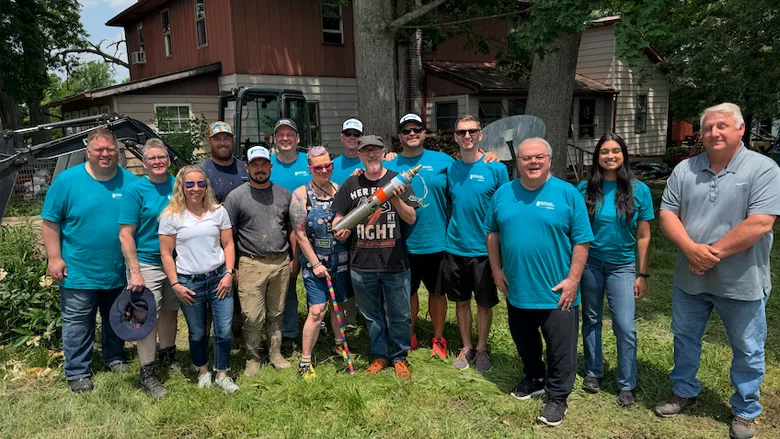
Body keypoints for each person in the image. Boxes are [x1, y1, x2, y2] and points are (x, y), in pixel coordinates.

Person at [654, 103, 780, 439]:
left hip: (742, 282)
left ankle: (745, 409)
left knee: (748, 347)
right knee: (685, 339)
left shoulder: (763, 169)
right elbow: (667, 215)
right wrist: (690, 250)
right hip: (689, 279)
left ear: (740, 129)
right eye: (708, 127)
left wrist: (709, 254)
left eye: (722, 126)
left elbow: (761, 222)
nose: (714, 133)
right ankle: (683, 390)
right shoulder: (685, 170)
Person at [486, 137, 592, 427]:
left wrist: (573, 280)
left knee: (561, 348)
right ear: (517, 162)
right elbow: (492, 234)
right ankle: (534, 377)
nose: (532, 162)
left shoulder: (567, 193)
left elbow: (582, 240)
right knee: (525, 341)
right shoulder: (503, 194)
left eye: (539, 157)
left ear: (549, 159)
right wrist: (496, 269)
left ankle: (558, 397)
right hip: (518, 288)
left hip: (557, 291)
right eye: (526, 158)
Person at [41, 127, 134, 393]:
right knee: (78, 321)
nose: (105, 154)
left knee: (116, 316)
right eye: (99, 150)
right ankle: (78, 371)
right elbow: (49, 221)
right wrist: (54, 257)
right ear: (88, 152)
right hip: (78, 268)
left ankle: (114, 358)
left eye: (110, 150)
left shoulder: (129, 181)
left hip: (117, 268)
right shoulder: (67, 181)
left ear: (117, 151)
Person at [577, 133, 654, 407]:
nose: (610, 156)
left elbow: (644, 236)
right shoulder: (585, 188)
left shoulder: (639, 190)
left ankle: (626, 383)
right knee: (591, 319)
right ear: (597, 156)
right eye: (604, 152)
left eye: (615, 151)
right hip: (590, 264)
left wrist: (642, 275)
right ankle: (593, 372)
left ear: (624, 155)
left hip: (622, 266)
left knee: (625, 325)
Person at [332, 135, 418, 381]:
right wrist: (340, 229)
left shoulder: (398, 181)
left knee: (400, 313)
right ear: (359, 155)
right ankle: (379, 355)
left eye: (376, 150)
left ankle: (400, 357)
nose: (371, 155)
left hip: (395, 262)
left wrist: (395, 200)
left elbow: (411, 218)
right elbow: (338, 219)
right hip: (362, 264)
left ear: (384, 152)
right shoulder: (351, 183)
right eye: (366, 151)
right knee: (371, 315)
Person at [158, 165, 238, 393]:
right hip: (189, 281)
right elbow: (166, 254)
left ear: (206, 186)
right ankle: (203, 371)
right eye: (190, 184)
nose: (196, 189)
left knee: (223, 327)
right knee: (196, 330)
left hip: (219, 278)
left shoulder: (218, 212)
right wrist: (175, 284)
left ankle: (222, 373)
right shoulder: (171, 216)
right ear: (182, 186)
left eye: (201, 183)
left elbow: (228, 244)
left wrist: (229, 273)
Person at [443, 115, 508, 373]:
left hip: (484, 250)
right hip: (455, 246)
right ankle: (466, 346)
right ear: (455, 137)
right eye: (462, 132)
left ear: (480, 134)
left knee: (483, 303)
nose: (467, 136)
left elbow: (506, 207)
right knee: (461, 302)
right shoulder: (450, 168)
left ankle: (481, 348)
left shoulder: (496, 168)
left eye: (472, 131)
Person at [385, 113, 453, 357]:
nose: (412, 133)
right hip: (403, 242)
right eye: (406, 130)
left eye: (417, 129)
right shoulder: (389, 165)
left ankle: (438, 337)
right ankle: (409, 334)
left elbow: (465, 176)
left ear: (424, 133)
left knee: (437, 292)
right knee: (408, 293)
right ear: (400, 137)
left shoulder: (444, 161)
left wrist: (489, 157)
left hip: (436, 239)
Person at [224, 146, 294, 374]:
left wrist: (295, 260)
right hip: (250, 264)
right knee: (252, 315)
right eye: (255, 165)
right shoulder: (236, 197)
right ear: (247, 167)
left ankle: (275, 353)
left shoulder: (284, 194)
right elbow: (228, 237)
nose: (260, 169)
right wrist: (231, 268)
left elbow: (291, 229)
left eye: (264, 164)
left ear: (271, 166)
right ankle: (252, 357)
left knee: (277, 312)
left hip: (280, 261)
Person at [118, 139, 179, 398]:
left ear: (168, 159)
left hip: (176, 261)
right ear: (144, 163)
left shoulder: (178, 184)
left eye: (161, 157)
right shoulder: (136, 190)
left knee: (170, 311)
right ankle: (147, 372)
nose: (157, 162)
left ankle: (167, 356)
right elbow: (125, 234)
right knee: (145, 317)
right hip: (147, 262)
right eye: (152, 158)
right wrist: (135, 270)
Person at [290, 146, 351, 379]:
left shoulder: (341, 190)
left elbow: (350, 220)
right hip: (315, 266)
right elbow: (300, 234)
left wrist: (348, 231)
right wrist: (315, 264)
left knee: (340, 308)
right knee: (317, 311)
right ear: (310, 169)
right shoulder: (300, 195)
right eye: (318, 167)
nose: (324, 170)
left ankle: (339, 344)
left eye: (328, 165)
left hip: (341, 261)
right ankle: (305, 361)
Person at [268, 119, 311, 352]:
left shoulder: (309, 162)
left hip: (315, 233)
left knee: (318, 282)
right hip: (282, 234)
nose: (285, 138)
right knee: (288, 283)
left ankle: (320, 323)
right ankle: (289, 332)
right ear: (274, 139)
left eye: (290, 134)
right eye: (280, 134)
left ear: (298, 139)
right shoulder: (268, 165)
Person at [328, 118, 365, 328]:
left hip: (368, 228)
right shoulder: (333, 165)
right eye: (348, 134)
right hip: (343, 228)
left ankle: (366, 315)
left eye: (356, 134)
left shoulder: (370, 160)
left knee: (363, 274)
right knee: (342, 274)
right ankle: (347, 319)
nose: (352, 138)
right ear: (342, 137)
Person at [199, 121, 249, 204]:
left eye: (226, 138)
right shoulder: (200, 171)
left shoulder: (246, 169)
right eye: (217, 139)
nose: (222, 143)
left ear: (233, 140)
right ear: (209, 142)